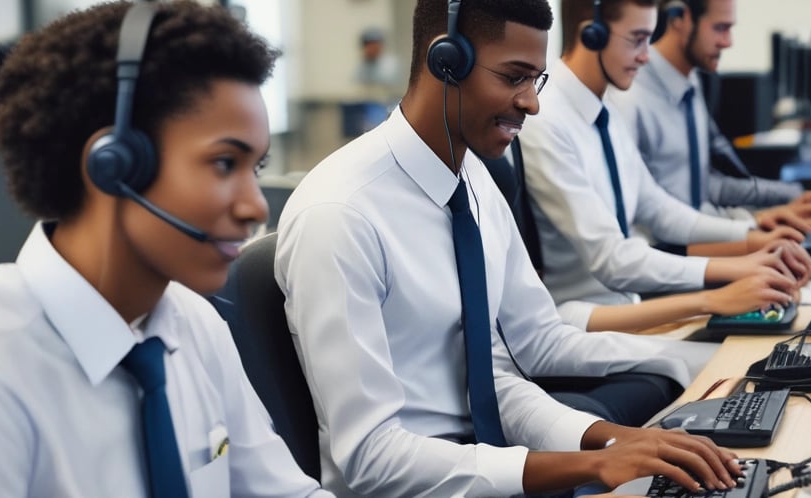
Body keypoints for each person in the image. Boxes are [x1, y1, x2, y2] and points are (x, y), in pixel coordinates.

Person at [276, 0, 743, 496]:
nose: (532, 103)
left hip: (491, 468)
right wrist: (585, 467)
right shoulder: (341, 217)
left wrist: (613, 443)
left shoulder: (471, 180)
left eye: (536, 80)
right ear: (445, 61)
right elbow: (371, 459)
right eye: (514, 77)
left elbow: (503, 372)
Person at [0, 2, 330, 497]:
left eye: (254, 169)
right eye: (223, 163)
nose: (255, 206)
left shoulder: (195, 324)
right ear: (113, 166)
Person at [517, 0, 811, 334]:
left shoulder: (605, 110)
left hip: (637, 309)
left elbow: (658, 209)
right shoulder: (547, 122)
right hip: (588, 326)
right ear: (592, 35)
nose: (646, 55)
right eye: (637, 39)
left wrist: (751, 241)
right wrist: (733, 267)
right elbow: (613, 259)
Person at [608, 0, 811, 232]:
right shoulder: (630, 97)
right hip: (671, 253)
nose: (728, 42)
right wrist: (750, 228)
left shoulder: (690, 81)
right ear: (680, 19)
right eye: (720, 28)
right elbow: (649, 219)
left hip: (701, 240)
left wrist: (779, 204)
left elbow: (701, 189)